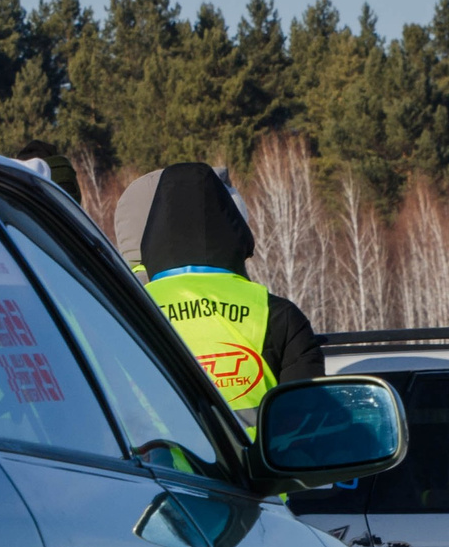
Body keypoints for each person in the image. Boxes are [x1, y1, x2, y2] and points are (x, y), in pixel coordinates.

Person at [114, 162, 322, 425]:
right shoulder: (279, 315)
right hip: (260, 454)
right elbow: (307, 422)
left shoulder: (125, 314)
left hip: (160, 454)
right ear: (234, 228)